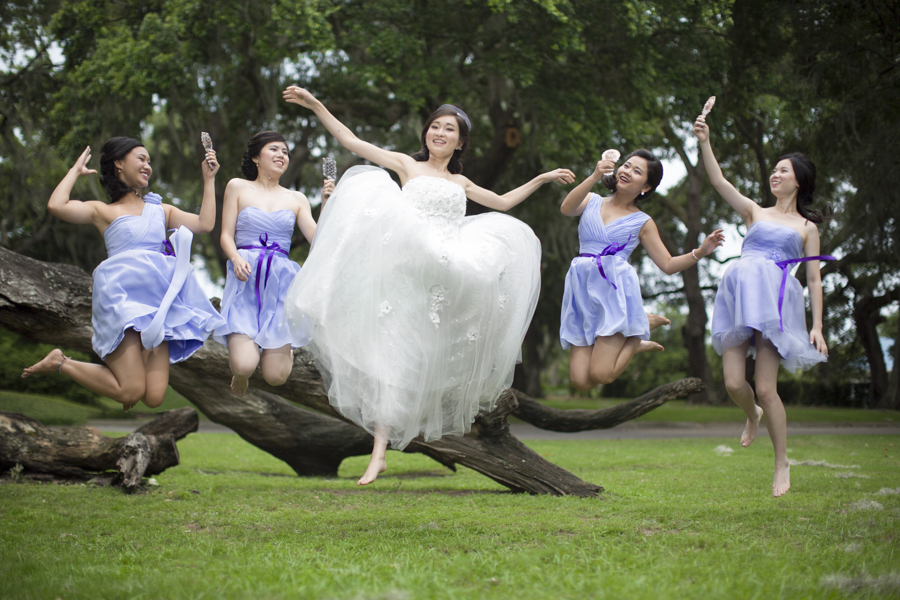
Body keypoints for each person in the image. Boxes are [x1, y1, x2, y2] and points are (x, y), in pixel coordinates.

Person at [281, 85, 575, 485]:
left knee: (423, 358)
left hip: (443, 278)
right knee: (392, 360)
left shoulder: (463, 183)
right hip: (404, 276)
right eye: (434, 126)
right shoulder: (406, 165)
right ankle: (379, 453)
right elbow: (350, 141)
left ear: (460, 140)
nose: (439, 132)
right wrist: (316, 105)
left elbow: (503, 203)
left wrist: (541, 178)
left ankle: (389, 446)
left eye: (448, 128)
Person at [22, 137, 225, 410]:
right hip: (122, 300)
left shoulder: (161, 210)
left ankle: (127, 373)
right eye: (141, 158)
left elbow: (205, 223)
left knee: (153, 397)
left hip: (159, 306)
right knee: (130, 392)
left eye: (149, 161)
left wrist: (209, 179)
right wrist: (75, 171)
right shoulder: (102, 211)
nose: (147, 165)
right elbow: (57, 206)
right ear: (119, 163)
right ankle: (61, 362)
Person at [694, 113, 832, 497]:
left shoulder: (807, 228)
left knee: (766, 388)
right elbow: (719, 182)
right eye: (773, 170)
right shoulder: (755, 210)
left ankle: (781, 463)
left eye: (782, 171)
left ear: (798, 180)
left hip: (775, 303)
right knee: (735, 383)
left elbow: (815, 278)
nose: (775, 175)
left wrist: (816, 326)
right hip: (741, 294)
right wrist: (705, 141)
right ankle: (750, 413)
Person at [559, 150, 724, 390]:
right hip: (581, 292)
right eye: (626, 165)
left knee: (602, 374)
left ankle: (636, 334)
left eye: (637, 171)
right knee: (581, 382)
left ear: (645, 186)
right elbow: (567, 208)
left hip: (613, 297)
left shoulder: (642, 222)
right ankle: (638, 333)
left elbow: (667, 265)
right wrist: (594, 175)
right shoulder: (591, 199)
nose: (626, 171)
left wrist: (700, 251)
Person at [214, 131, 335, 396]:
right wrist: (235, 258)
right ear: (256, 157)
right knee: (245, 366)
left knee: (276, 377)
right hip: (246, 278)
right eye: (274, 150)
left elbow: (318, 240)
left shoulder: (297, 199)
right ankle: (242, 370)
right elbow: (225, 235)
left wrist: (326, 204)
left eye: (285, 152)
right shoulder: (237, 186)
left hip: (282, 282)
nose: (282, 155)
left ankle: (282, 349)